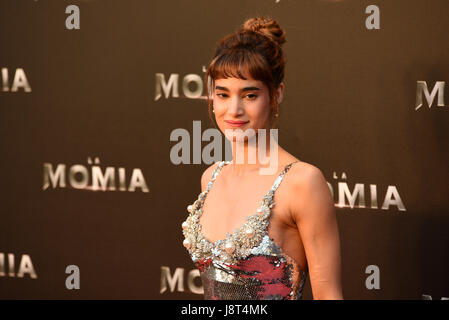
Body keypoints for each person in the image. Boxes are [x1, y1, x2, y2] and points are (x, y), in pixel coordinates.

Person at [181, 16, 343, 300]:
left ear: (276, 94)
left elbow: (329, 295)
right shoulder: (211, 177)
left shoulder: (302, 183)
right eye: (223, 94)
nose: (234, 110)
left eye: (250, 95)